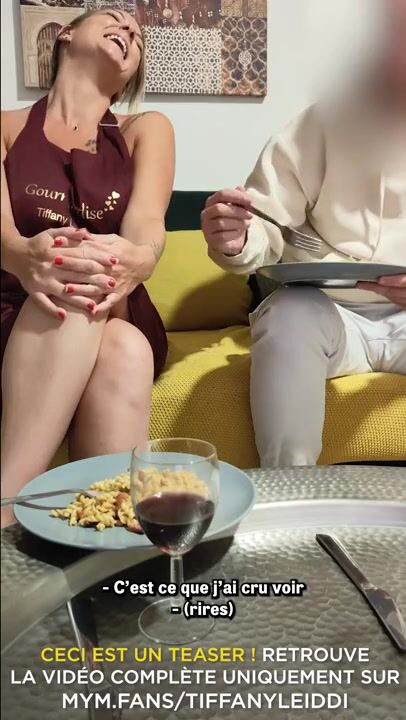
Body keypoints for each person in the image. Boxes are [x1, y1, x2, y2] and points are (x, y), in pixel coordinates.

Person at [201, 0, 406, 467]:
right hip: (332, 316)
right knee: (288, 314)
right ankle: (291, 491)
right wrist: (236, 240)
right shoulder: (319, 124)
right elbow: (265, 224)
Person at [1, 8, 175, 525]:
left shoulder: (147, 128)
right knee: (123, 347)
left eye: (137, 37)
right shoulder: (5, 127)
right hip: (18, 308)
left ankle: (7, 505)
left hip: (115, 298)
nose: (129, 30)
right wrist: (24, 257)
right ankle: (99, 537)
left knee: (83, 283)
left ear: (131, 75)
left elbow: (146, 223)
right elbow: (2, 232)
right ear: (67, 33)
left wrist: (143, 257)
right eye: (115, 18)